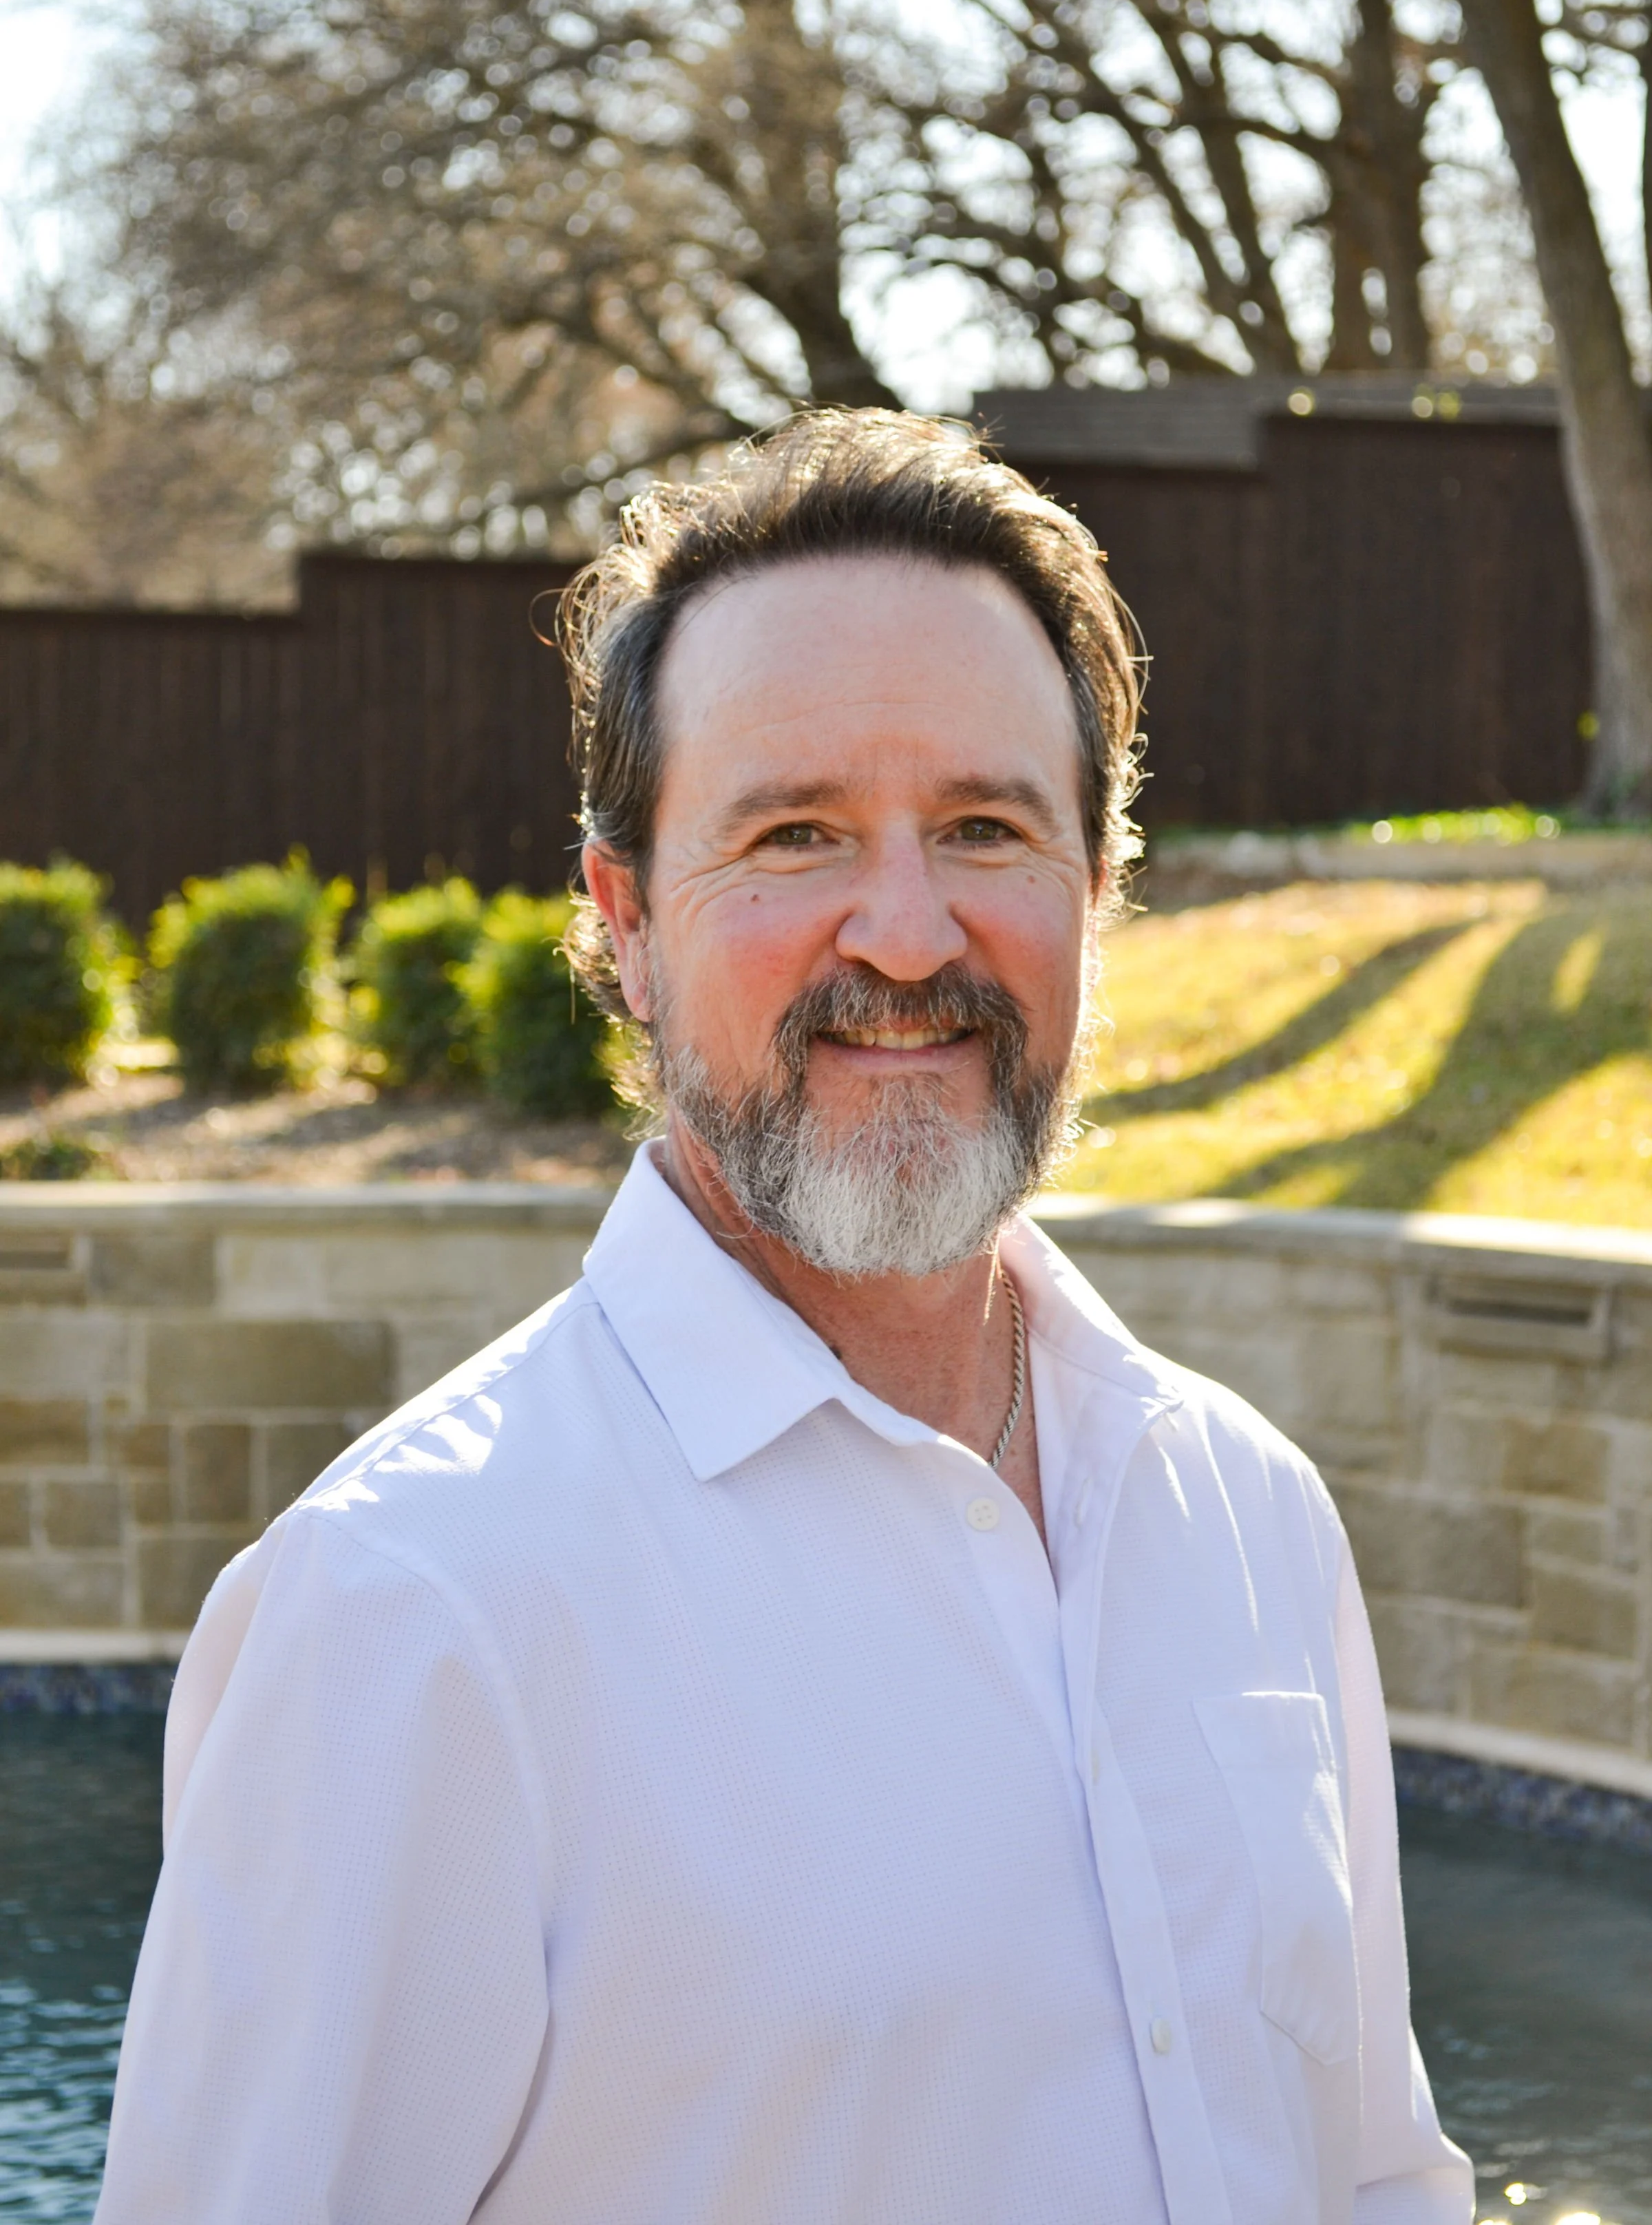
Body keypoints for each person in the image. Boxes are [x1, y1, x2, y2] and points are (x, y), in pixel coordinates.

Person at [96, 410, 1472, 2225]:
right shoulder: (406, 1621)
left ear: (1098, 884)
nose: (905, 935)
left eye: (985, 826)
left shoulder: (1252, 1519)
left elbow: (1377, 2182)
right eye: (795, 833)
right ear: (629, 918)